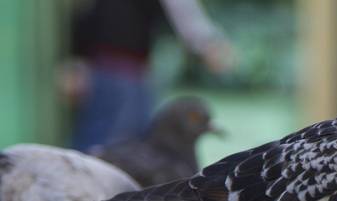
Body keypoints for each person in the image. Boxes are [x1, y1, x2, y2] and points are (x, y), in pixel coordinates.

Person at [65, 0, 234, 151]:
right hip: (120, 70)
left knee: (111, 146)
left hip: (118, 67)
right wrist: (208, 44)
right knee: (114, 148)